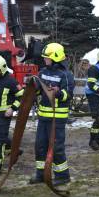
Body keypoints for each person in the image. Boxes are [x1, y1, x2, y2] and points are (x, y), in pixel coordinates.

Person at [30, 43, 73, 186]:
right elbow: (38, 91)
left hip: (58, 119)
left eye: (47, 57)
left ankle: (62, 176)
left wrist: (58, 92)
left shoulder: (66, 75)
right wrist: (32, 86)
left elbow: (68, 95)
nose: (45, 60)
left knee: (56, 147)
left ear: (55, 57)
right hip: (43, 117)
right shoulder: (42, 72)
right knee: (40, 146)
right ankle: (41, 174)